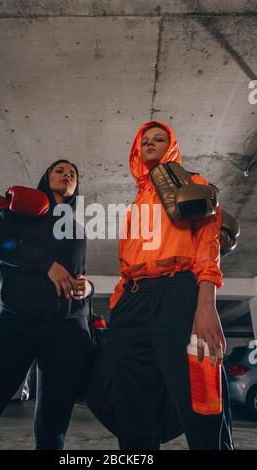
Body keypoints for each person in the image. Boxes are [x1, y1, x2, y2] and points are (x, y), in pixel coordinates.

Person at [107, 120, 233, 450]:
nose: (149, 143)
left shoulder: (191, 184)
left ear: (171, 146)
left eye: (158, 139)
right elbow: (125, 263)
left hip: (179, 296)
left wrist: (206, 305)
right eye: (144, 140)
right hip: (133, 304)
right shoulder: (134, 207)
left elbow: (208, 246)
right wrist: (118, 306)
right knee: (133, 416)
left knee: (201, 406)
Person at [0, 159, 94, 450]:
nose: (67, 175)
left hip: (68, 329)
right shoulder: (20, 212)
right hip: (17, 321)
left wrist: (88, 288)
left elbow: (79, 273)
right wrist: (47, 265)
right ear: (46, 178)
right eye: (60, 170)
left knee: (53, 428)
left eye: (72, 174)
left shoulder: (77, 229)